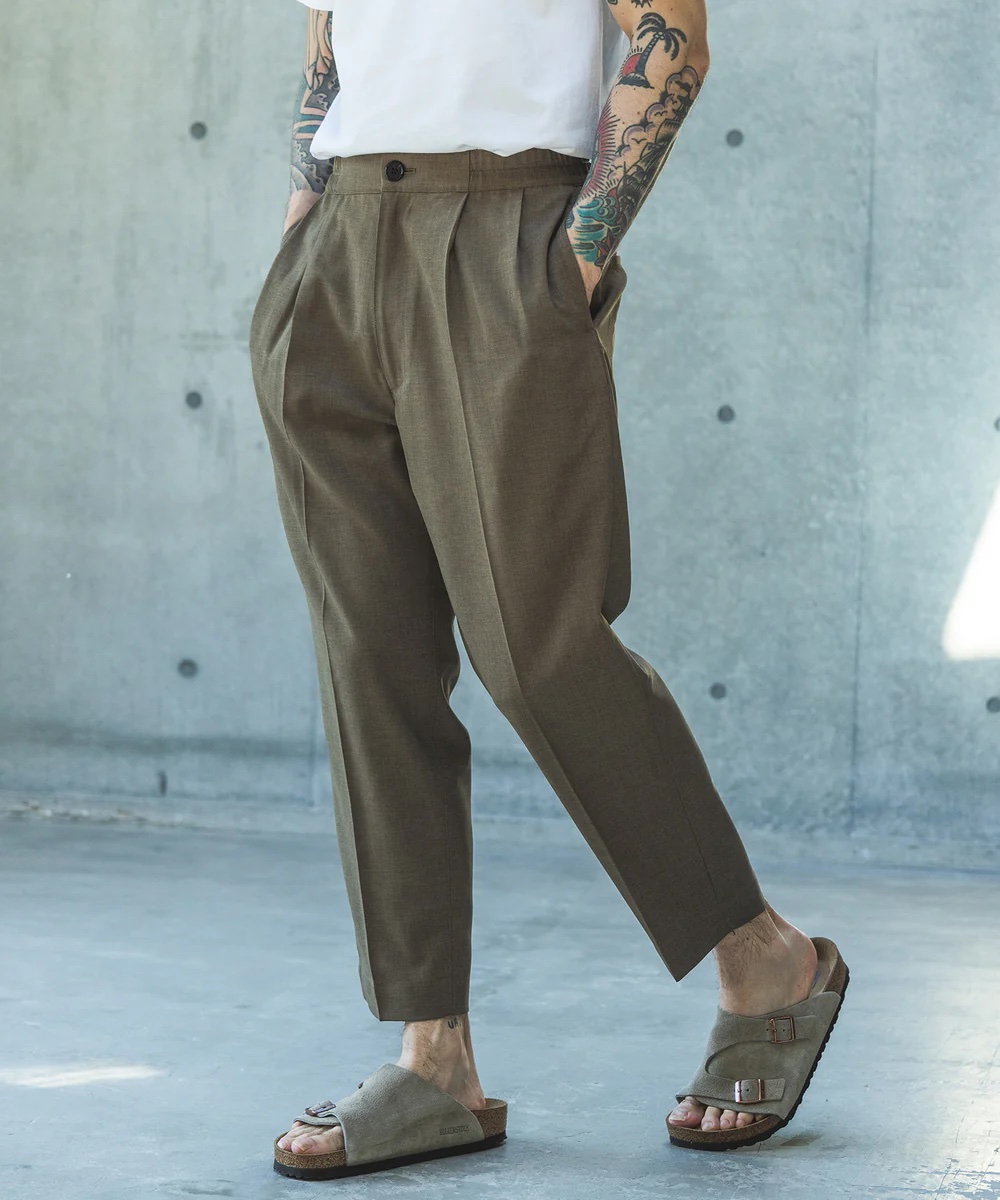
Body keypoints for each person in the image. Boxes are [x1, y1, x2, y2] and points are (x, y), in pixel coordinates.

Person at [249, 0, 849, 1180]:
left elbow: (670, 30)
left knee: (538, 649)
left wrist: (567, 259)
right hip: (338, 244)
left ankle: (762, 955)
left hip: (506, 232)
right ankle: (434, 1060)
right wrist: (302, 235)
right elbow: (330, 49)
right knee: (370, 663)